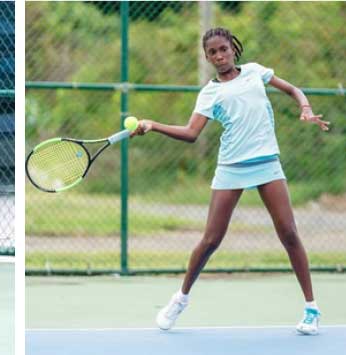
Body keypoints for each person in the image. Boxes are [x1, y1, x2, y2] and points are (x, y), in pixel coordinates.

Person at [130, 27, 329, 335]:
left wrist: (305, 108)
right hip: (231, 167)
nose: (220, 55)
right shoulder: (209, 92)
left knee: (289, 232)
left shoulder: (255, 72)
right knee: (211, 240)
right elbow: (191, 134)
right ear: (207, 57)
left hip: (267, 162)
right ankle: (180, 299)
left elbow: (293, 90)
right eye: (213, 52)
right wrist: (153, 125)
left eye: (223, 49)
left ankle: (311, 308)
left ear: (233, 49)